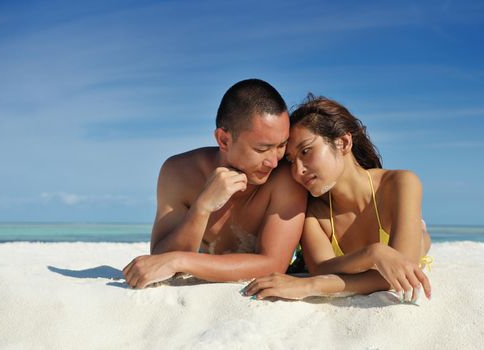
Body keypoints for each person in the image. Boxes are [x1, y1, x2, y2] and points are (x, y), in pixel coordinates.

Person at [243, 95, 432, 302]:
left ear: (343, 142)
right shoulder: (313, 211)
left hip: (415, 243)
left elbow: (402, 270)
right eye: (291, 161)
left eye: (306, 151)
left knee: (421, 241)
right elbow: (321, 268)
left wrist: (310, 286)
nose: (298, 170)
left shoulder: (399, 184)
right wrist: (373, 254)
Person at [123, 79, 307, 289]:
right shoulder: (179, 172)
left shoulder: (285, 177)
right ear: (224, 140)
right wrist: (202, 207)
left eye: (281, 145)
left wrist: (180, 260)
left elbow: (274, 264)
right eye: (262, 149)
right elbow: (159, 260)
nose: (274, 161)